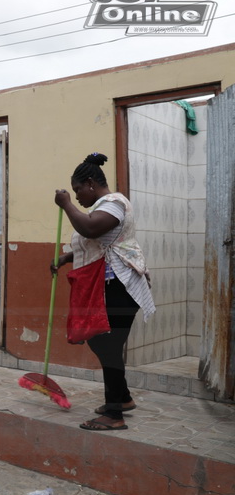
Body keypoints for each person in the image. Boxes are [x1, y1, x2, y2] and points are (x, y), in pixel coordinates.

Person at [52, 152, 155, 431]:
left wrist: (66, 205)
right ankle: (121, 400)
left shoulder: (114, 203)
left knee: (106, 344)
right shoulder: (104, 205)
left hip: (121, 287)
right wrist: (66, 258)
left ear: (90, 183)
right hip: (110, 286)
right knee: (105, 344)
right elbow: (100, 244)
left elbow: (91, 229)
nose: (79, 197)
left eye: (78, 191)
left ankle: (113, 414)